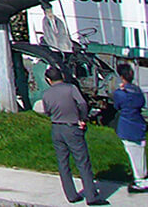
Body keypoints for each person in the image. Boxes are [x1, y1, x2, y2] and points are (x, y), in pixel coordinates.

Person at [44, 66, 104, 204]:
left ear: (48, 80)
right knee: (82, 162)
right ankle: (91, 196)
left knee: (63, 163)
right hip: (72, 127)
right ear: (62, 77)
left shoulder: (46, 94)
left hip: (56, 128)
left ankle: (71, 195)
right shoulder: (71, 88)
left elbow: (47, 112)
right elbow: (82, 103)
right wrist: (83, 118)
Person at [113, 63, 148, 193]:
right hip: (139, 124)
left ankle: (140, 180)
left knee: (133, 153)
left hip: (127, 126)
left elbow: (117, 106)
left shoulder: (120, 93)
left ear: (121, 77)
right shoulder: (138, 91)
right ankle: (143, 176)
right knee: (140, 152)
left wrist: (121, 90)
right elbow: (141, 103)